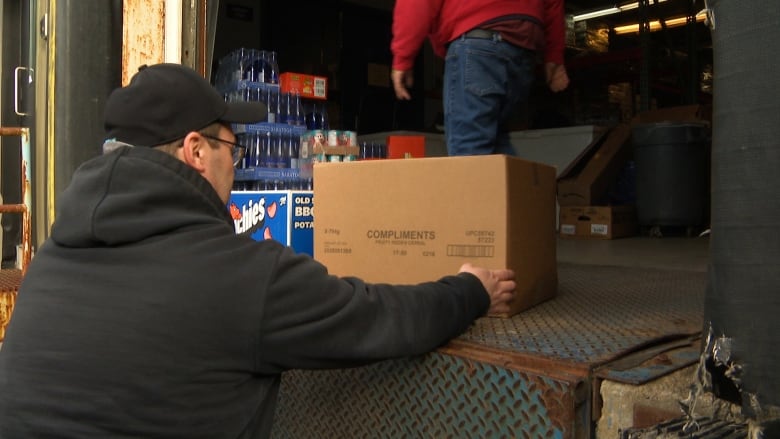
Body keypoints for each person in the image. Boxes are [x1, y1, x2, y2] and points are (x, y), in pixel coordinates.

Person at [0, 63, 516, 438]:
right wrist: (471, 289)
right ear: (196, 151)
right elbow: (381, 317)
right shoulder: (242, 277)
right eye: (232, 145)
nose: (236, 162)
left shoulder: (52, 257)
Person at [391, 0, 570, 156]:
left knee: (469, 151)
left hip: (479, 42)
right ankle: (525, 192)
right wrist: (554, 56)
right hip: (523, 51)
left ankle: (518, 192)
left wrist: (403, 57)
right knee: (495, 145)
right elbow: (553, 3)